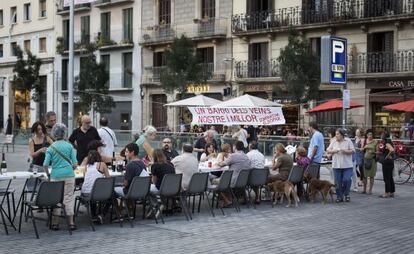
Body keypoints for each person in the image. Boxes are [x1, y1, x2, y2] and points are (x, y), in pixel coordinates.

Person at [43, 123, 78, 230]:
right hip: (69, 175)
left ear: (54, 134)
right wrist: (70, 169)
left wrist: (48, 174)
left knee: (57, 199)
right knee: (69, 198)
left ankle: (55, 223)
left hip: (55, 176)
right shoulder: (69, 146)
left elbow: (45, 164)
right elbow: (75, 164)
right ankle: (71, 223)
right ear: (64, 133)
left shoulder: (51, 148)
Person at [218, 141, 251, 206]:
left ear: (235, 147)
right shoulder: (246, 156)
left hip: (233, 181)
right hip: (243, 181)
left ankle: (227, 200)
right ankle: (236, 197)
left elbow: (221, 164)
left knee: (216, 182)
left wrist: (219, 161)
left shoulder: (233, 156)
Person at [80, 150, 110, 223]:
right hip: (96, 193)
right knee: (111, 196)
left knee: (92, 191)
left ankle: (94, 215)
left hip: (85, 193)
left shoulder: (86, 167)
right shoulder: (102, 164)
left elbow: (86, 179)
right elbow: (108, 179)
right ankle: (102, 214)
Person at [326, 129, 355, 203]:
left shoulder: (348, 141)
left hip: (347, 165)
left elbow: (353, 151)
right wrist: (335, 151)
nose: (336, 135)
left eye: (338, 134)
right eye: (336, 134)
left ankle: (346, 193)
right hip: (336, 165)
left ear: (342, 135)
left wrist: (345, 151)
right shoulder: (333, 141)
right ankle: (339, 196)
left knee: (347, 179)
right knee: (338, 182)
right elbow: (328, 150)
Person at [378, 131, 396, 198]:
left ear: (384, 136)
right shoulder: (390, 141)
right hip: (390, 162)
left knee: (386, 178)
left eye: (382, 135)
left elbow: (392, 150)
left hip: (387, 162)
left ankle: (387, 193)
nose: (381, 136)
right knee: (390, 177)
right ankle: (392, 192)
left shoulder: (387, 142)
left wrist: (387, 156)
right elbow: (392, 149)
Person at [361, 129, 378, 195]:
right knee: (364, 175)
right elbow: (362, 150)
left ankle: (370, 190)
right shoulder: (365, 141)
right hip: (365, 160)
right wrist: (363, 148)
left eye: (371, 134)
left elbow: (378, 151)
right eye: (368, 134)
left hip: (372, 160)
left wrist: (373, 152)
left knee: (371, 176)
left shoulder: (375, 142)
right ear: (366, 135)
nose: (369, 136)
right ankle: (364, 189)